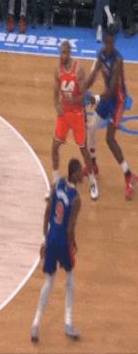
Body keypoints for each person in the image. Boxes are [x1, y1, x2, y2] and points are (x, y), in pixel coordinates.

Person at [30, 158, 83, 343]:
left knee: (49, 282)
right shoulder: (76, 199)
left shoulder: (58, 184)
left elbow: (47, 212)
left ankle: (35, 324)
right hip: (62, 242)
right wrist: (73, 242)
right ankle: (68, 322)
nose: (82, 174)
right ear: (73, 173)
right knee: (70, 278)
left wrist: (44, 239)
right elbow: (70, 228)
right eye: (80, 172)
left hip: (51, 238)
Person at [85, 28, 138, 200]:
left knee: (109, 139)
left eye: (111, 42)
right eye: (107, 41)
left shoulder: (118, 60)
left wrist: (95, 98)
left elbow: (113, 88)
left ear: (114, 41)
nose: (109, 44)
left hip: (118, 100)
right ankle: (93, 165)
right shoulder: (101, 54)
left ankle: (128, 175)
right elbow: (93, 76)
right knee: (91, 128)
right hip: (107, 97)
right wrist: (82, 88)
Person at [52, 41, 98, 200]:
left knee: (83, 149)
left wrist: (74, 99)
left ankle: (92, 181)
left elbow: (84, 95)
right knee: (54, 146)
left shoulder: (78, 70)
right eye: (61, 52)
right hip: (64, 114)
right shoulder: (57, 69)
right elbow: (55, 91)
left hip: (77, 114)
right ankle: (55, 180)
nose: (62, 55)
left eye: (64, 52)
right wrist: (57, 105)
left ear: (69, 53)